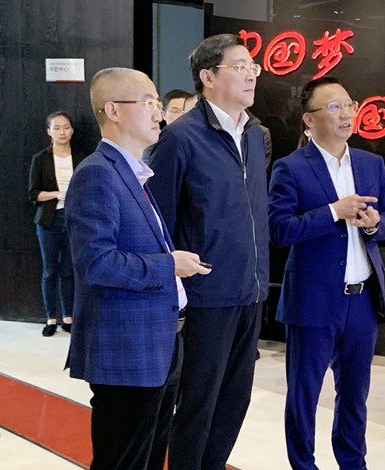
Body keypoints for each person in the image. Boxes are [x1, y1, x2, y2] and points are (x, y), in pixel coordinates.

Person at [65, 67, 210, 470]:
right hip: (126, 349)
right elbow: (97, 262)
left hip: (158, 342)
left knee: (148, 458)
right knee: (123, 460)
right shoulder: (98, 173)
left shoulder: (132, 173)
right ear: (113, 110)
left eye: (157, 103)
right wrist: (169, 265)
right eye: (148, 102)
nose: (159, 113)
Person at [147, 34, 269, 470]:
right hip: (205, 296)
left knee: (235, 401)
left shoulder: (255, 135)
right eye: (240, 66)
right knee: (198, 405)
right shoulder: (180, 139)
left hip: (251, 291)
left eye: (253, 66)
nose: (251, 73)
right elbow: (158, 223)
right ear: (208, 76)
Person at [268, 76, 385, 470]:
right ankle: (303, 465)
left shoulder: (371, 162)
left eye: (349, 104)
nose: (346, 113)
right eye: (333, 106)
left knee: (355, 395)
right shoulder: (290, 167)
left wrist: (376, 224)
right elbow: (279, 230)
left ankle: (353, 463)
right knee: (304, 394)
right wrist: (332, 213)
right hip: (313, 298)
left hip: (362, 299)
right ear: (309, 119)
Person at [28, 111, 86, 336]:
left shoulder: (81, 157)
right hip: (49, 219)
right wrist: (57, 194)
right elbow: (33, 194)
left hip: (74, 219)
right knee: (49, 270)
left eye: (66, 127)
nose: (62, 132)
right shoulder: (41, 158)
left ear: (72, 130)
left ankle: (68, 317)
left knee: (69, 270)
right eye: (57, 128)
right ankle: (50, 319)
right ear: (49, 131)